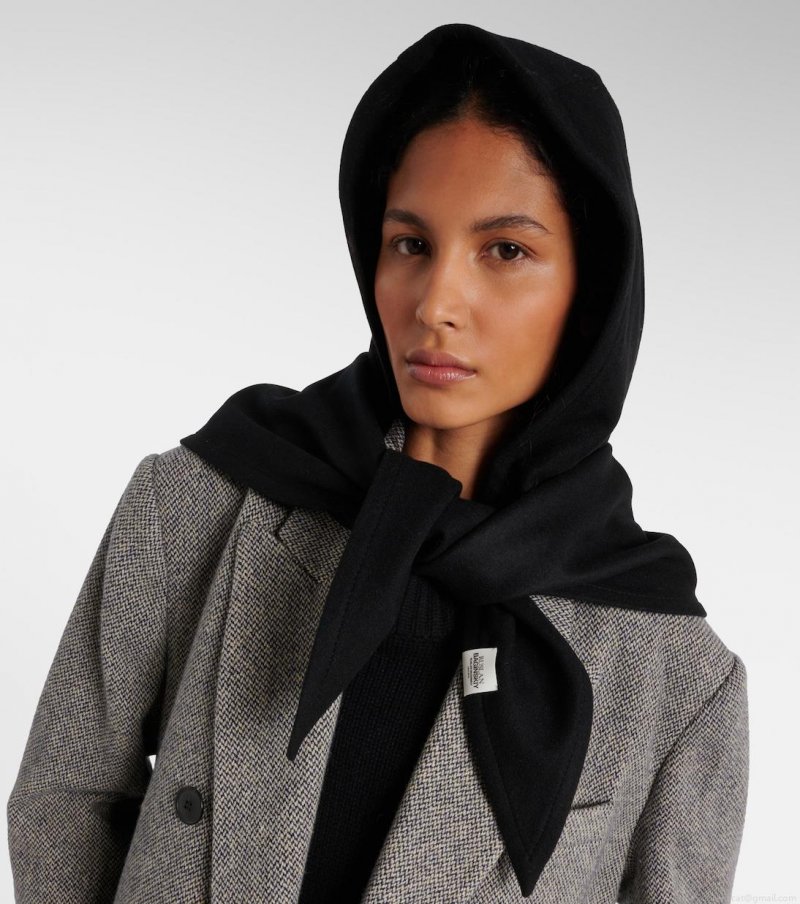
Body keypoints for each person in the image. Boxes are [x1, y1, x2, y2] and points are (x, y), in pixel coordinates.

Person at [7, 22, 748, 904]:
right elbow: (61, 802)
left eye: (505, 251)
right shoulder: (196, 504)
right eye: (411, 244)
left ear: (591, 288)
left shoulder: (677, 676)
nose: (437, 303)